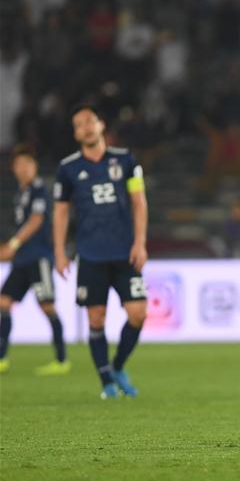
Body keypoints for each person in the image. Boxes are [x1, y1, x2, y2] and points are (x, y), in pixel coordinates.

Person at [53, 104, 149, 399]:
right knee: (96, 319)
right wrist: (59, 251)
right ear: (75, 134)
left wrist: (140, 242)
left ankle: (118, 365)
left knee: (138, 313)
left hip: (125, 253)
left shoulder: (126, 160)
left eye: (89, 121)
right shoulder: (68, 168)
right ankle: (106, 381)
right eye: (78, 124)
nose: (85, 127)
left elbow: (139, 202)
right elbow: (60, 212)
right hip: (91, 255)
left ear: (100, 124)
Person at [0, 145, 68, 375]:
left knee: (47, 306)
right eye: (20, 164)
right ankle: (2, 358)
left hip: (38, 257)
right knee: (3, 303)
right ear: (13, 168)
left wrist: (13, 244)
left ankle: (61, 360)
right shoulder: (22, 193)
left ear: (35, 167)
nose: (24, 169)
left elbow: (37, 220)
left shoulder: (39, 189)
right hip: (21, 260)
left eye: (28, 164)